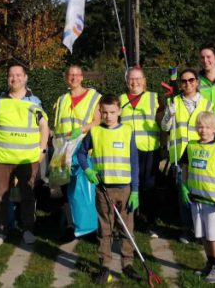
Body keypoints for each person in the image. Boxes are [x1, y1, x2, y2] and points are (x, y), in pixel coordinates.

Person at [77, 94, 142, 284]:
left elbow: (135, 163)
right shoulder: (95, 132)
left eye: (112, 112)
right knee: (105, 228)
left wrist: (136, 190)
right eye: (104, 112)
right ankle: (105, 265)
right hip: (103, 189)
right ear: (100, 112)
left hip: (125, 189)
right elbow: (81, 153)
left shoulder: (128, 131)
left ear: (119, 111)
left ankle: (127, 264)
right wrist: (88, 170)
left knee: (126, 228)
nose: (108, 116)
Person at [0, 62, 49, 246]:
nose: (15, 78)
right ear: (8, 78)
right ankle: (1, 231)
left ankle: (28, 230)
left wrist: (42, 150)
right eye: (11, 75)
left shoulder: (35, 101)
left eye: (19, 75)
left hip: (27, 159)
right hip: (1, 158)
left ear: (25, 77)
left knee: (27, 196)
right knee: (0, 196)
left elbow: (44, 126)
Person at [161, 68, 214, 243]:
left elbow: (212, 128)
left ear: (197, 82)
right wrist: (169, 114)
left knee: (200, 192)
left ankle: (201, 228)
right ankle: (186, 228)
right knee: (183, 194)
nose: (188, 84)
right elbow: (165, 127)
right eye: (184, 81)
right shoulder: (174, 101)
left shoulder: (207, 104)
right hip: (180, 155)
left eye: (191, 80)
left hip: (201, 155)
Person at [52, 65, 102, 239]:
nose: (73, 78)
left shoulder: (94, 97)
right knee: (66, 189)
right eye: (70, 75)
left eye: (77, 75)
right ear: (66, 78)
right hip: (63, 150)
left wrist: (82, 129)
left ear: (82, 77)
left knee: (85, 188)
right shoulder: (61, 99)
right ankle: (70, 225)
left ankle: (90, 227)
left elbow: (98, 120)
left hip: (83, 148)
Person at [180, 111, 215, 284]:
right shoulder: (191, 146)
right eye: (200, 126)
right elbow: (185, 167)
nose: (203, 130)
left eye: (207, 127)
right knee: (203, 235)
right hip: (196, 199)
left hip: (214, 201)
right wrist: (184, 186)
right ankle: (210, 263)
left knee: (214, 235)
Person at [120, 66, 162, 238]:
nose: (134, 82)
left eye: (138, 78)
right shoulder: (121, 99)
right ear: (126, 81)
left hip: (150, 148)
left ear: (144, 81)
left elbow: (163, 123)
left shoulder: (155, 98)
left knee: (149, 186)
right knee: (129, 185)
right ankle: (131, 220)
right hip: (127, 150)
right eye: (131, 78)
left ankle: (150, 221)